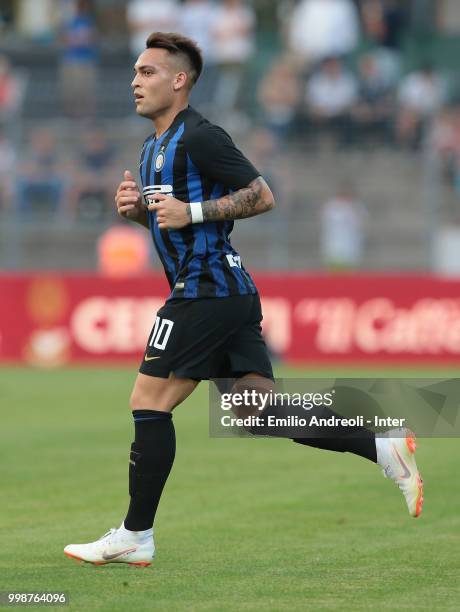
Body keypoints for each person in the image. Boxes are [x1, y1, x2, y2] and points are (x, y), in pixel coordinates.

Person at [63, 32, 423, 567]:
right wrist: (139, 212)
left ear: (179, 80)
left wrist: (196, 212)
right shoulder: (150, 148)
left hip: (205, 289)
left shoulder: (201, 136)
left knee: (148, 400)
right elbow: (175, 220)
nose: (135, 82)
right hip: (226, 290)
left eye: (148, 72)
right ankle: (380, 445)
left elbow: (262, 194)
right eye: (135, 72)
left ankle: (136, 534)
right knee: (258, 411)